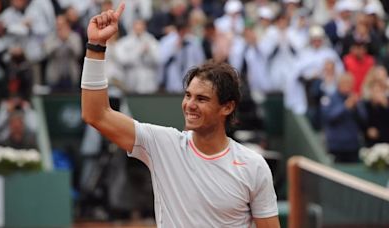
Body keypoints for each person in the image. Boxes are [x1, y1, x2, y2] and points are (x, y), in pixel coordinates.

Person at [81, 2, 280, 227]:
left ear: (227, 107)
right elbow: (95, 114)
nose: (190, 105)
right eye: (188, 95)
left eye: (202, 99)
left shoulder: (253, 165)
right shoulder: (162, 145)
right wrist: (96, 46)